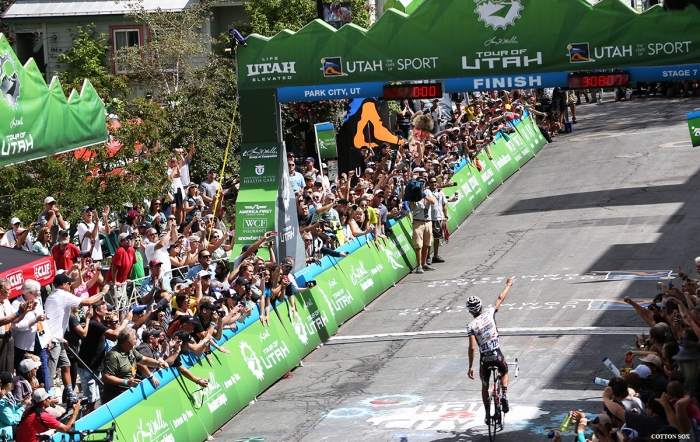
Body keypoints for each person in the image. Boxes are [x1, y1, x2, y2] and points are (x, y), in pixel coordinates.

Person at [44, 273, 103, 398]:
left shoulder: (51, 296)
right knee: (50, 371)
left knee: (66, 365)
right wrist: (103, 293)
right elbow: (88, 301)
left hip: (58, 338)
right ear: (64, 285)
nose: (71, 285)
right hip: (53, 340)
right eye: (69, 283)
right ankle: (46, 396)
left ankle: (70, 392)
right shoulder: (63, 295)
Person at [466, 278, 514, 423]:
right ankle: (504, 395)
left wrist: (470, 367)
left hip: (484, 359)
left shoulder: (471, 326)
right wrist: (508, 284)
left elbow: (472, 347)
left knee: (484, 385)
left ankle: (487, 413)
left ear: (470, 311)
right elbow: (500, 298)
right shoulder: (489, 313)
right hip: (496, 355)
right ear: (481, 307)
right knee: (505, 371)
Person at [77, 301, 132, 414]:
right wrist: (126, 320)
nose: (107, 311)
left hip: (96, 367)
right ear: (97, 311)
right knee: (91, 401)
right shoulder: (94, 324)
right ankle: (86, 426)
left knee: (96, 400)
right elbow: (115, 336)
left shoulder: (99, 323)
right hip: (88, 368)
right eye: (105, 309)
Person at [102, 327, 168, 403]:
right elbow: (106, 377)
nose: (136, 341)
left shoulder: (130, 350)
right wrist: (126, 382)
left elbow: (144, 360)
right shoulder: (113, 355)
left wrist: (159, 363)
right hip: (116, 397)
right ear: (126, 341)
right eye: (134, 339)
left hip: (129, 392)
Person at [11, 280, 50, 389]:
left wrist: (48, 337)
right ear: (29, 292)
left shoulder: (37, 301)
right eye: (36, 292)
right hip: (24, 346)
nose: (38, 294)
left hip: (40, 341)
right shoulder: (16, 304)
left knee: (43, 371)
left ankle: (46, 396)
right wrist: (35, 319)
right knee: (27, 374)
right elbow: (17, 326)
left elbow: (43, 320)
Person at [16, 388, 81, 442]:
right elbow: (67, 429)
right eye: (49, 398)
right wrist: (76, 411)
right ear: (44, 401)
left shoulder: (29, 410)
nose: (50, 399)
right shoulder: (44, 416)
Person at [0, 278, 36, 373]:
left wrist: (25, 311)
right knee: (1, 367)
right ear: (0, 291)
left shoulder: (7, 302)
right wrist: (18, 313)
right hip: (0, 339)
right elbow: (2, 321)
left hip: (9, 338)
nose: (10, 292)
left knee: (10, 368)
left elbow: (15, 320)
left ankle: (8, 386)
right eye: (8, 290)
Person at [0, 370, 29, 440]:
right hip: (5, 430)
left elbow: (11, 409)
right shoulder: (1, 401)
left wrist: (20, 405)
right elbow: (11, 420)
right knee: (28, 428)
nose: (14, 383)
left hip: (9, 425)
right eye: (12, 382)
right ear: (7, 384)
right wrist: (23, 407)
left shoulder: (8, 393)